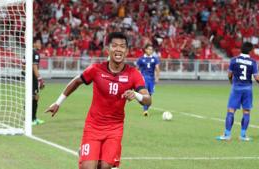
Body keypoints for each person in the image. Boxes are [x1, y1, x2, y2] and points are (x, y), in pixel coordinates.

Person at [45, 32, 151, 169]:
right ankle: (85, 154)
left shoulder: (133, 74)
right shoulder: (96, 70)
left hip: (115, 128)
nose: (118, 49)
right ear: (108, 49)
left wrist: (136, 95)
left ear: (127, 51)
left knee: (105, 167)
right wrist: (58, 102)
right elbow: (76, 82)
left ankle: (86, 154)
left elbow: (148, 100)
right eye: (115, 46)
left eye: (122, 46)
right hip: (93, 126)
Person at [216, 42, 259, 141]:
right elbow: (256, 77)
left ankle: (227, 135)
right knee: (246, 112)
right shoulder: (253, 62)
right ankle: (243, 135)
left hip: (236, 88)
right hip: (247, 89)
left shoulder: (234, 60)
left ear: (241, 49)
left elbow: (229, 75)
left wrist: (231, 82)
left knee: (231, 111)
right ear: (250, 51)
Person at [23, 39, 45, 125]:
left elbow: (23, 65)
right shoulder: (35, 53)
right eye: (38, 43)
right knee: (33, 97)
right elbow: (34, 67)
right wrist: (40, 79)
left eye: (40, 43)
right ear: (34, 44)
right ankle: (31, 119)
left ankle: (30, 118)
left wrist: (25, 73)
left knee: (33, 96)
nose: (40, 44)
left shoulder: (27, 52)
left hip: (28, 77)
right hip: (32, 78)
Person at [136, 44, 160, 116]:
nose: (150, 51)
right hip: (144, 79)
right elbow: (136, 69)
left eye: (151, 49)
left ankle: (143, 104)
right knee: (146, 94)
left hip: (151, 80)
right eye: (149, 49)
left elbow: (157, 68)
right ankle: (145, 110)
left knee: (150, 94)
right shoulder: (141, 59)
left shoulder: (155, 59)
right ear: (145, 50)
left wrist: (157, 77)